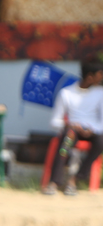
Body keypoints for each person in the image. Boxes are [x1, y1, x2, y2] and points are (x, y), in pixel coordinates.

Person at [44, 59, 103, 196]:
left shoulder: (100, 93)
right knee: (66, 143)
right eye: (100, 74)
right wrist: (69, 124)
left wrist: (91, 130)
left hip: (93, 131)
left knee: (101, 142)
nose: (102, 78)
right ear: (90, 77)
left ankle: (75, 180)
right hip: (72, 131)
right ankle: (54, 182)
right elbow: (54, 122)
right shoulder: (67, 93)